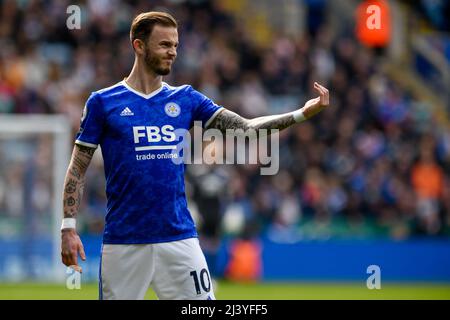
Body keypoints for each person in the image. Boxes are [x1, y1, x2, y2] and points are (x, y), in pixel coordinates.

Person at [60, 11, 330, 300]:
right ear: (139, 46)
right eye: (164, 45)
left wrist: (301, 114)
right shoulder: (103, 102)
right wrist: (68, 228)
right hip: (124, 242)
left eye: (175, 45)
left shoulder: (185, 99)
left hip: (179, 238)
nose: (172, 52)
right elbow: (78, 167)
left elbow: (246, 128)